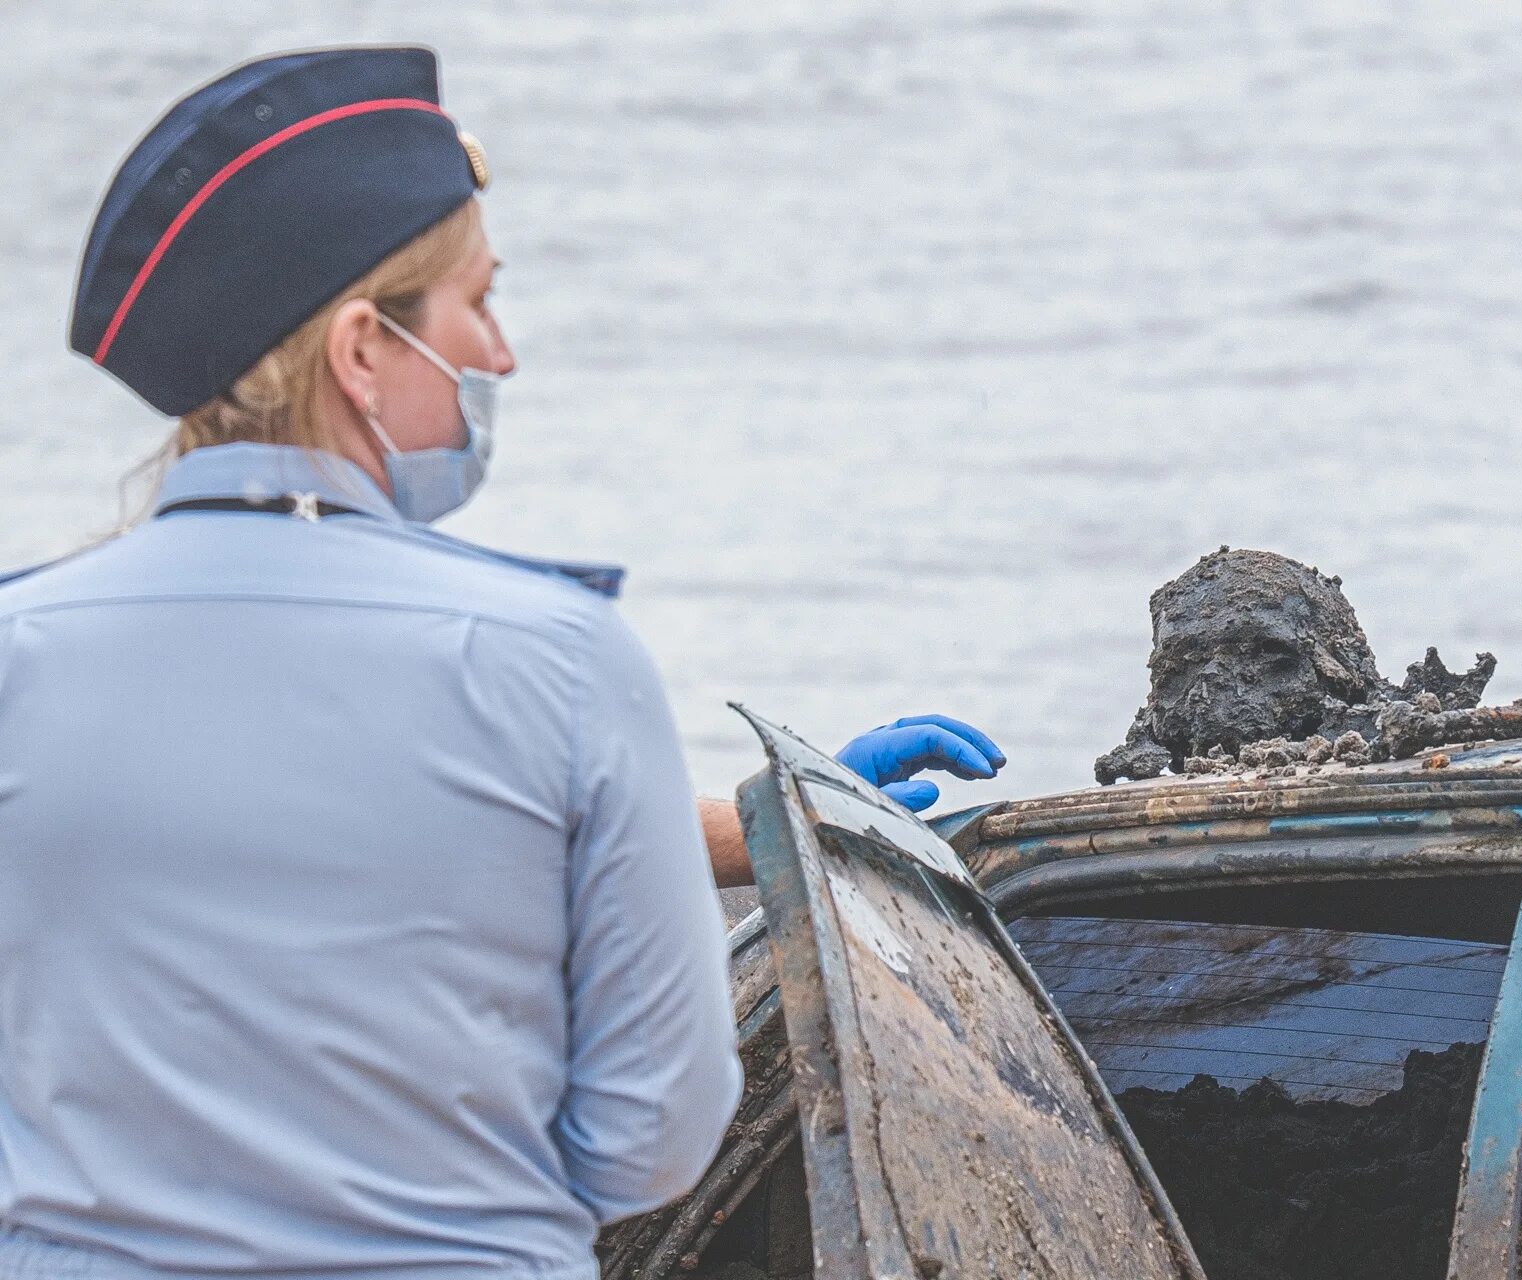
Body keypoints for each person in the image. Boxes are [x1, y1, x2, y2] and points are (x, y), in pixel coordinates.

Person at [0, 45, 1003, 1280]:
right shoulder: (557, 657)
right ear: (363, 350)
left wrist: (761, 823)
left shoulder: (21, 654)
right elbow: (658, 1132)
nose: (503, 354)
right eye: (479, 302)